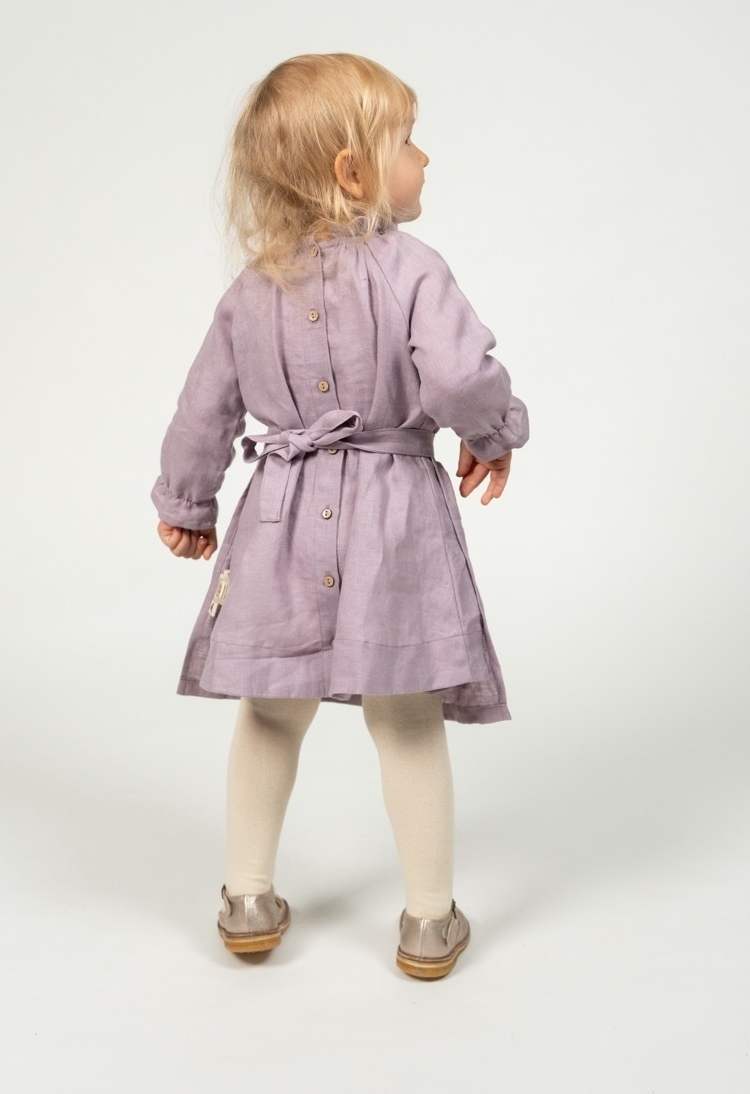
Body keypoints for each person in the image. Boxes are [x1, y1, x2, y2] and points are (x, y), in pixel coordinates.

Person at [150, 53, 529, 980]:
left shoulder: (252, 290)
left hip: (278, 517)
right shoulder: (413, 271)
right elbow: (460, 375)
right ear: (353, 171)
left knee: (270, 710)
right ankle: (429, 921)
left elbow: (202, 407)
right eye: (408, 142)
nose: (426, 158)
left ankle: (246, 897)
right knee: (407, 715)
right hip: (392, 520)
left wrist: (187, 500)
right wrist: (494, 432)